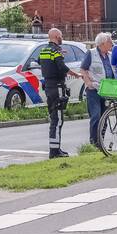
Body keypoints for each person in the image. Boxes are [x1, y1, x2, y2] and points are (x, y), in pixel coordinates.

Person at [39, 28, 81, 158]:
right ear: (57, 36)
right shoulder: (56, 51)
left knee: (53, 118)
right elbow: (62, 67)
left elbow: (42, 62)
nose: (61, 38)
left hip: (48, 87)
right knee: (57, 120)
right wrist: (76, 74)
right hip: (57, 87)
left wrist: (58, 53)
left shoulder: (44, 50)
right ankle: (55, 151)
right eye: (61, 36)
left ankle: (55, 148)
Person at [81, 32, 115, 146]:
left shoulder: (110, 55)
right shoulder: (91, 53)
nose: (112, 43)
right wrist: (88, 83)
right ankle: (93, 143)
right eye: (110, 41)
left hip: (107, 91)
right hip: (94, 90)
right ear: (102, 43)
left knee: (105, 118)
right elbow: (83, 69)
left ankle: (100, 142)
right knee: (96, 116)